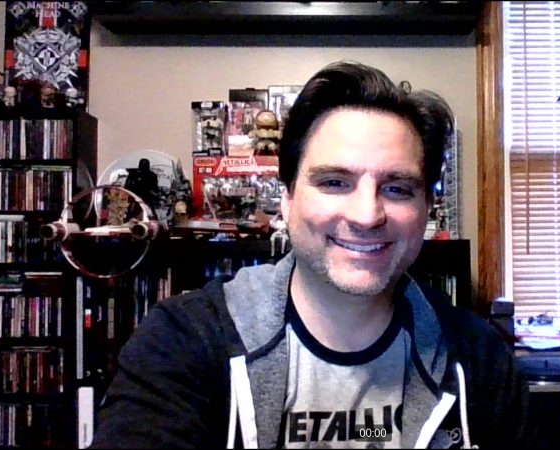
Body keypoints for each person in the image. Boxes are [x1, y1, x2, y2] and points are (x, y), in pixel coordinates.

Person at [90, 61, 529, 449]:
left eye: (397, 188)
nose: (367, 215)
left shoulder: (479, 359)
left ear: (426, 209)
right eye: (334, 182)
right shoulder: (184, 342)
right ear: (286, 200)